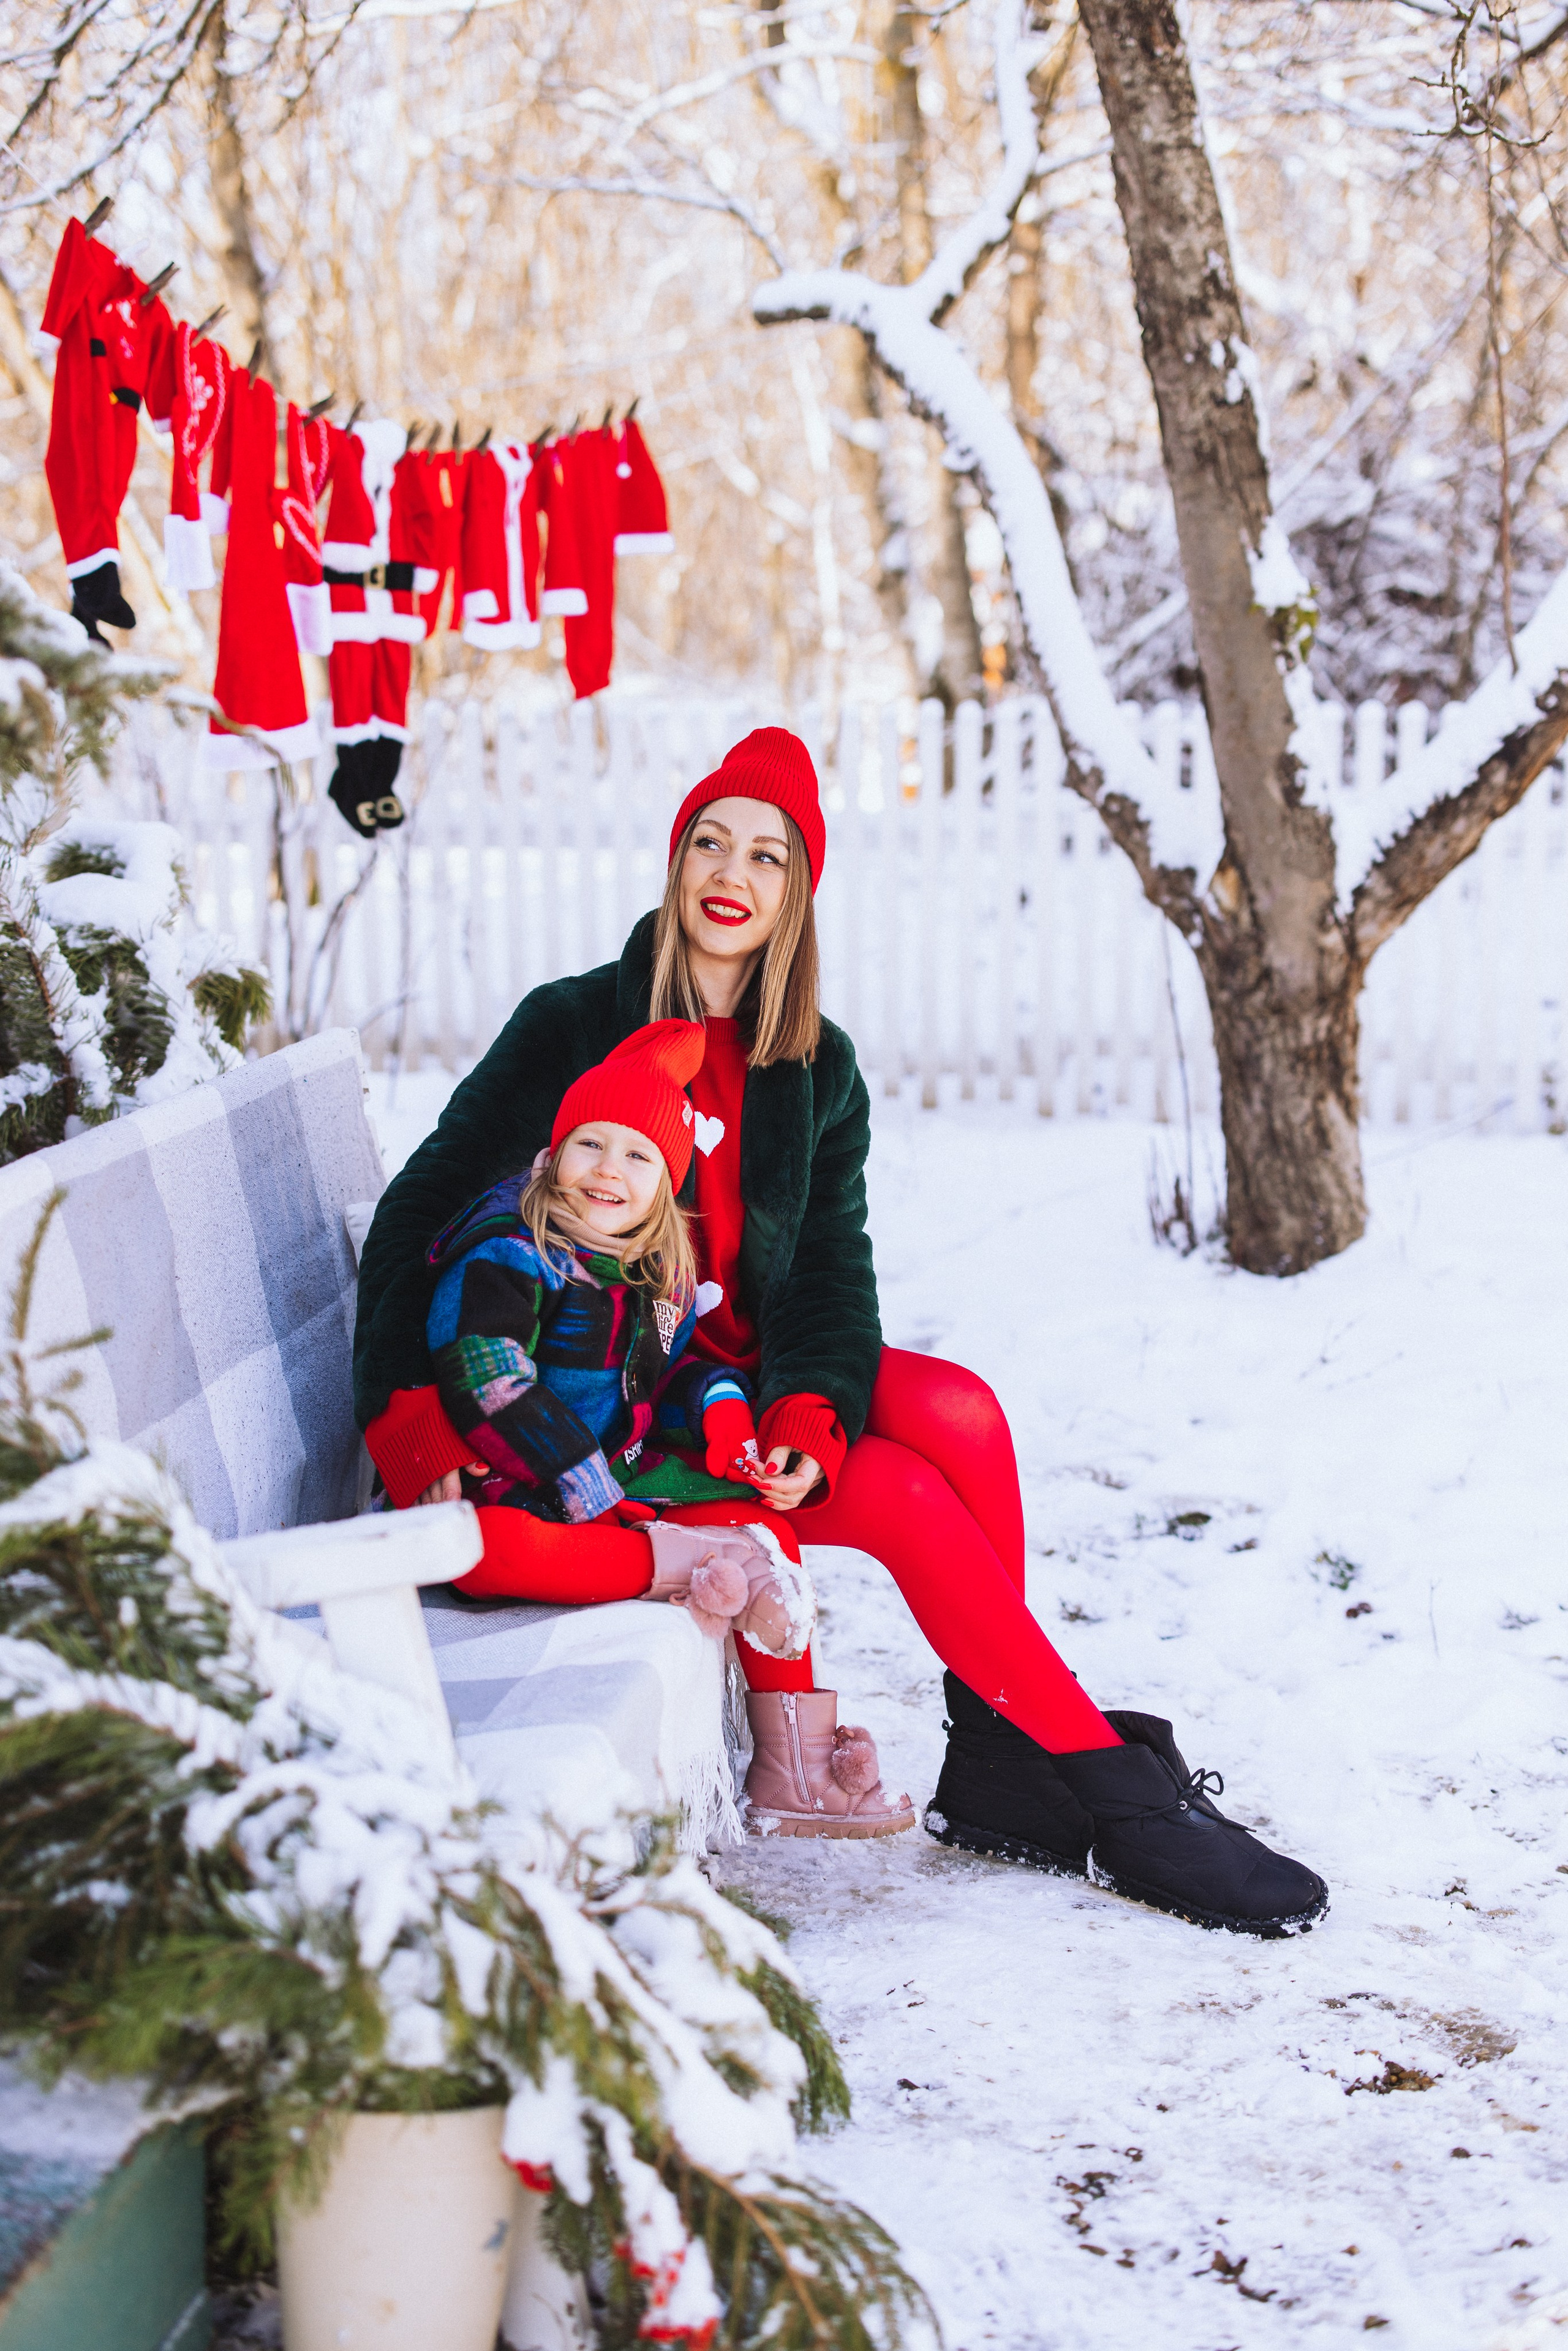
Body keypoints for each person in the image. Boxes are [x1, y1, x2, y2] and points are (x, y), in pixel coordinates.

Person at [356, 726, 1326, 1933]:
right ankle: (1105, 1784)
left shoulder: (816, 1068)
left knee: (959, 1409)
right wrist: (399, 1405)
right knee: (910, 1498)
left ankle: (998, 1752)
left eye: (767, 855)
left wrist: (808, 1405)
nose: (732, 872)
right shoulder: (571, 1026)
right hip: (610, 1396)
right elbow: (420, 1210)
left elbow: (828, 1269)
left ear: (795, 891)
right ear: (675, 864)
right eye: (709, 841)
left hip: (725, 1375)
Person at [421, 1012, 913, 1839]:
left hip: (611, 1482)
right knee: (486, 1554)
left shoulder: (655, 1282)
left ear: (664, 1185)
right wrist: (587, 1484)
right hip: (508, 1485)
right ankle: (685, 1563)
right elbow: (489, 1374)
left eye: (637, 1155)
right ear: (553, 1154)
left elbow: (670, 1368)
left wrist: (721, 1414)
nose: (607, 1170)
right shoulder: (511, 1250)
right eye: (590, 1144)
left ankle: (793, 1763)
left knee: (763, 1525)